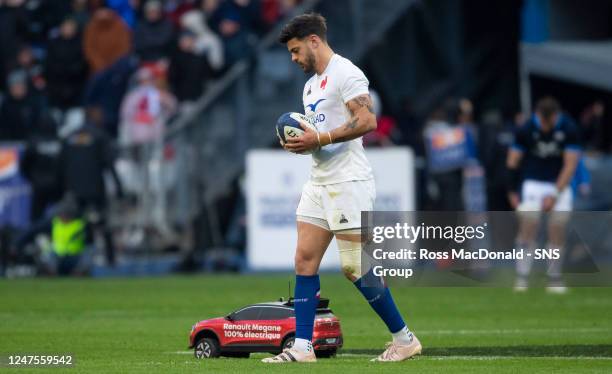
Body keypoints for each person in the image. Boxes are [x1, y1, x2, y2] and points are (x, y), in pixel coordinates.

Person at [262, 13, 420, 364]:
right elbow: (322, 137)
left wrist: (319, 138)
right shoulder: (309, 86)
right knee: (304, 261)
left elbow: (367, 121)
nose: (293, 58)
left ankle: (404, 339)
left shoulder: (346, 73)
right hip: (319, 181)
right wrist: (307, 143)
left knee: (355, 267)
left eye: (295, 50)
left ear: (314, 41)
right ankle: (302, 347)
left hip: (348, 181)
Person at [506, 97, 580, 294]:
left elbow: (570, 164)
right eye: (543, 121)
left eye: (550, 121)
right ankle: (521, 277)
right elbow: (513, 160)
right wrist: (512, 190)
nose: (546, 126)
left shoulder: (569, 128)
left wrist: (555, 194)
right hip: (533, 183)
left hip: (559, 184)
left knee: (557, 229)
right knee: (528, 228)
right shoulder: (526, 129)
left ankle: (554, 278)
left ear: (557, 116)